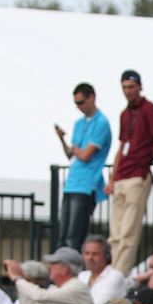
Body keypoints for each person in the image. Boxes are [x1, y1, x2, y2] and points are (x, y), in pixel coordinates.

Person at [106, 70, 153, 276]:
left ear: (140, 86)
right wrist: (113, 178)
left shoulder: (149, 109)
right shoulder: (125, 113)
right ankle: (115, 271)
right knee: (115, 233)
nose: (128, 91)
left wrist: (143, 160)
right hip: (122, 176)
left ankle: (118, 275)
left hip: (137, 175)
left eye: (131, 87)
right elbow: (122, 145)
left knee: (128, 231)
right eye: (124, 87)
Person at [55, 82, 112, 251]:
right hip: (71, 182)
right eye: (76, 104)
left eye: (81, 102)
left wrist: (75, 148)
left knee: (75, 234)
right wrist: (62, 139)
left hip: (87, 185)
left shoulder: (101, 122)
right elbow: (72, 154)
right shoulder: (78, 123)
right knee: (63, 234)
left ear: (91, 97)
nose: (79, 107)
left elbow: (86, 155)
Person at [78, 236, 127, 304]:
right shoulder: (81, 276)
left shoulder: (114, 277)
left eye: (95, 254)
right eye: (87, 253)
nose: (90, 257)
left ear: (106, 256)